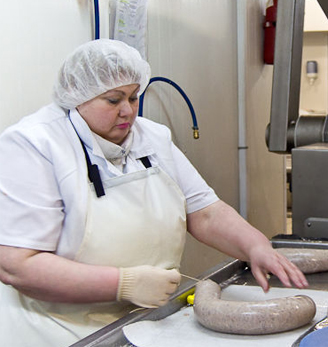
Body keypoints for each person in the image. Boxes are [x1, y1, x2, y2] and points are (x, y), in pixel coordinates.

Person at [0, 39, 308, 347]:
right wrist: (123, 284)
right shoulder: (35, 145)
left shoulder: (152, 136)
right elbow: (18, 266)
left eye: (134, 97)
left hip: (141, 322)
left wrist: (255, 246)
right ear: (77, 95)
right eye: (113, 100)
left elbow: (205, 213)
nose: (127, 111)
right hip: (58, 331)